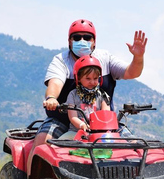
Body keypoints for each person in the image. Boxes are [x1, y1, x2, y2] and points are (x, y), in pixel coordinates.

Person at [28, 19, 147, 167]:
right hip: (64, 121)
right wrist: (52, 98)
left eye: (87, 37)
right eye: (77, 37)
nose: (82, 41)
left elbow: (131, 72)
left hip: (103, 125)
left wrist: (138, 57)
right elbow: (55, 83)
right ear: (69, 41)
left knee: (136, 147)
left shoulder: (105, 58)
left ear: (94, 41)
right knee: (42, 143)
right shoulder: (61, 61)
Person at [59, 55, 110, 140]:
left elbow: (106, 114)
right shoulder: (73, 94)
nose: (92, 82)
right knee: (55, 147)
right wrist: (82, 125)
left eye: (95, 78)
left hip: (98, 134)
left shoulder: (102, 95)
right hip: (75, 132)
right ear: (78, 78)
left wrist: (102, 128)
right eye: (88, 78)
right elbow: (73, 117)